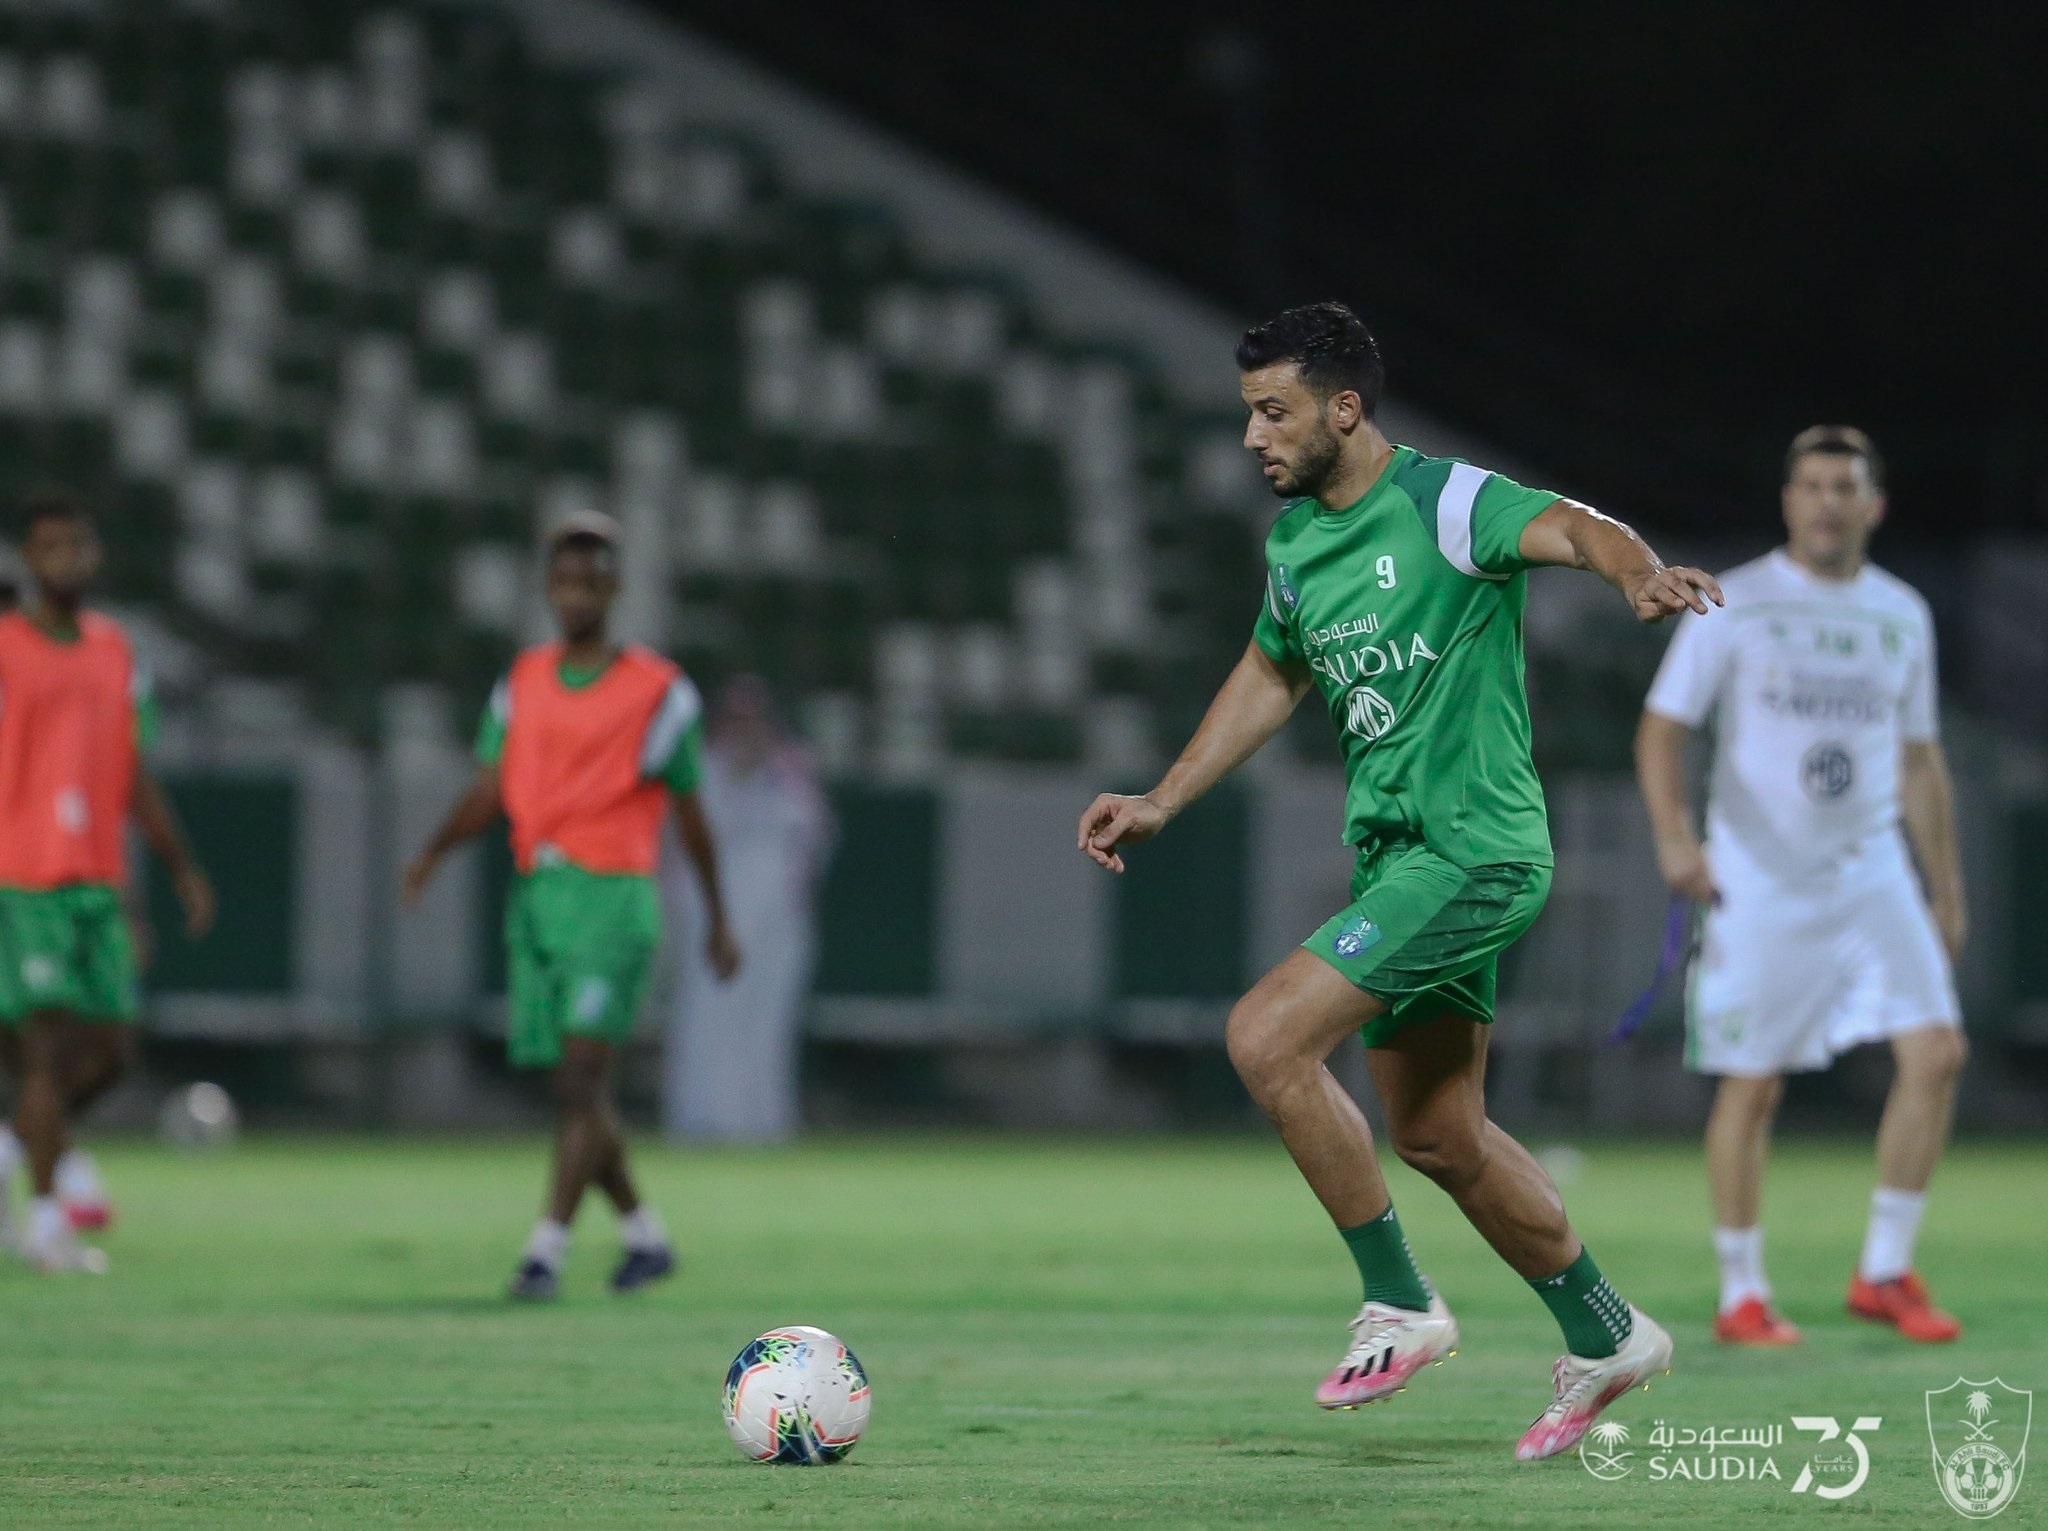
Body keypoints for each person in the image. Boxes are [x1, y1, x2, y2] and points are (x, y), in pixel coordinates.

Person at [1077, 302, 1720, 1460]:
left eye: (1272, 414)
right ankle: (1606, 1333)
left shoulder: (1445, 502)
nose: (1251, 439)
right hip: (1401, 860)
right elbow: (1270, 675)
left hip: (1475, 850)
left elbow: (1575, 527)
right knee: (1433, 1133)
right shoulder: (1293, 548)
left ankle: (1400, 1304)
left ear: (1343, 409)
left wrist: (1634, 573)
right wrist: (1163, 796)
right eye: (1245, 415)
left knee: (1266, 1038)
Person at [1635, 426, 1966, 1346]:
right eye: (1812, 484)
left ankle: (1885, 1272)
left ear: (1874, 505)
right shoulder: (1737, 602)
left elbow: (1921, 758)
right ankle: (1742, 1290)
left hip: (1872, 872)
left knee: (1936, 1054)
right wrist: (1674, 838)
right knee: (1754, 1085)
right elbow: (1663, 730)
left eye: (1845, 486)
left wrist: (1948, 890)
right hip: (1758, 879)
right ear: (1789, 500)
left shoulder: (1902, 611)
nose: (1828, 500)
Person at [403, 512, 740, 1300]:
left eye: (591, 579)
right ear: (548, 587)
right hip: (541, 898)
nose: (576, 593)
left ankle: (544, 1250)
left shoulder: (660, 691)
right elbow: (491, 787)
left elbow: (690, 814)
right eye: (563, 579)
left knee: (581, 1078)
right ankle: (645, 1236)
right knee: (577, 1086)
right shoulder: (520, 682)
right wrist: (430, 851)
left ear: (615, 587)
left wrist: (719, 918)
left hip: (615, 897)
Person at [0, 489, 215, 1272]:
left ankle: (8, 1155)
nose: (66, 560)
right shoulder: (5, 647)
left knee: (113, 1051)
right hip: (23, 876)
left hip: (97, 877)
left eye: (77, 545)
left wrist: (179, 867)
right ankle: (47, 1223)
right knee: (44, 1053)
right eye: (49, 546)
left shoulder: (116, 652)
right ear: (29, 559)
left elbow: (132, 773)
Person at [660, 675, 832, 1142]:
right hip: (711, 916)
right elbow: (677, 851)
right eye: (737, 719)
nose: (746, 730)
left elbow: (813, 846)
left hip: (774, 924)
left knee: (766, 1022)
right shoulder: (697, 771)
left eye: (754, 720)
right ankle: (702, 1119)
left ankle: (762, 1120)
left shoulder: (791, 773)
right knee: (705, 1017)